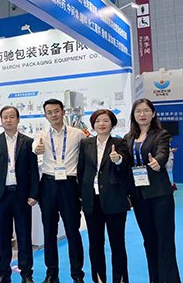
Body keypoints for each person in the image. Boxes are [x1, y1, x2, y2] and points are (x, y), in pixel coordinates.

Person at [0, 105, 39, 283]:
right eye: (5, 117)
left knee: (24, 236)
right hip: (2, 195)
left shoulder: (28, 142)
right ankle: (4, 273)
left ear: (18, 119)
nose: (8, 120)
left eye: (12, 117)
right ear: (1, 120)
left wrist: (34, 194)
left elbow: (34, 171)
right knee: (4, 236)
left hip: (22, 195)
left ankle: (26, 274)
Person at [125, 98, 181, 283]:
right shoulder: (128, 138)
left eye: (146, 110)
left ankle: (171, 280)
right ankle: (155, 279)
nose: (142, 114)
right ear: (133, 115)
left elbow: (163, 152)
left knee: (165, 240)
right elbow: (125, 162)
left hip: (160, 194)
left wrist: (158, 161)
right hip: (139, 196)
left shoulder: (161, 134)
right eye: (138, 111)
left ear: (153, 113)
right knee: (149, 241)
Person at [33, 98, 85, 283]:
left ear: (63, 111)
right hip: (48, 185)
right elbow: (35, 149)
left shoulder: (78, 134)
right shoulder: (41, 135)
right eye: (49, 112)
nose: (53, 115)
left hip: (69, 185)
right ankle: (51, 274)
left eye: (56, 111)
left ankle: (77, 275)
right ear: (45, 115)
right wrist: (37, 149)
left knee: (73, 231)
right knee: (49, 232)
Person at [77, 109, 131, 283]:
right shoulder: (86, 143)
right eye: (98, 121)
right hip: (92, 200)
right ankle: (99, 279)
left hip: (114, 199)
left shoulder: (120, 142)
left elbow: (126, 167)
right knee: (95, 244)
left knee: (117, 243)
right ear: (93, 124)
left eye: (105, 120)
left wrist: (118, 160)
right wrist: (82, 194)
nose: (101, 124)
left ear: (112, 124)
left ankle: (120, 279)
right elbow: (81, 170)